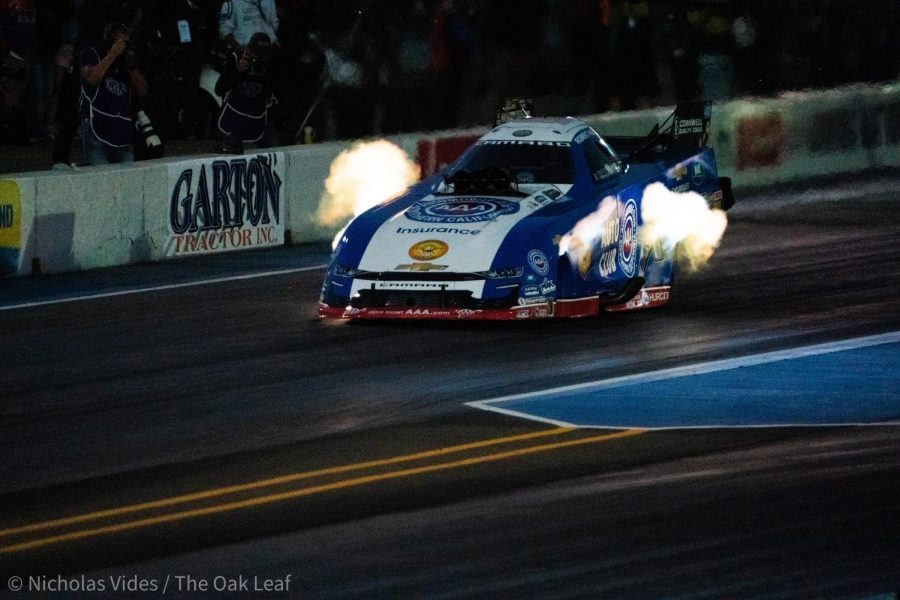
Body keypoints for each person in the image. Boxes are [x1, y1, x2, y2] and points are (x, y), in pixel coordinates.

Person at [79, 22, 148, 165]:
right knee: (99, 177)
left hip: (121, 129)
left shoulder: (126, 63)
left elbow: (143, 91)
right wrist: (112, 54)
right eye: (120, 42)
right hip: (97, 124)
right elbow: (92, 78)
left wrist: (132, 66)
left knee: (126, 177)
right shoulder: (92, 54)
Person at [214, 31, 277, 153]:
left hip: (258, 117)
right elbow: (219, 89)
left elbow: (276, 90)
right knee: (232, 150)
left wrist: (267, 74)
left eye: (262, 57)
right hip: (233, 117)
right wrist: (238, 70)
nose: (257, 59)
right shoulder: (236, 58)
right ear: (248, 49)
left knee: (275, 150)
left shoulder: (271, 63)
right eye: (255, 55)